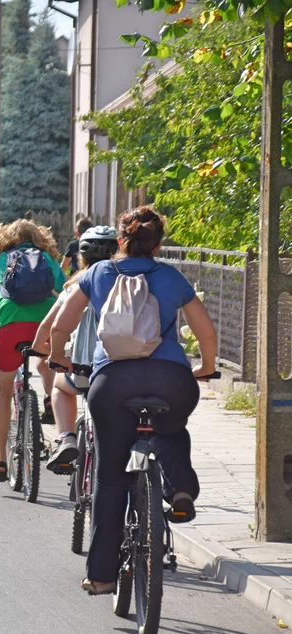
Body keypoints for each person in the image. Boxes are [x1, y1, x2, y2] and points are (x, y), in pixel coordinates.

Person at [47, 206, 218, 595]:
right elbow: (206, 333)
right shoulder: (172, 277)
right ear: (158, 244)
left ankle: (103, 576)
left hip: (113, 383)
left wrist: (59, 356)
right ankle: (180, 490)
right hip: (171, 380)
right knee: (171, 428)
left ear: (120, 241)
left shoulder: (97, 273)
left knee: (110, 480)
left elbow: (62, 323)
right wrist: (205, 368)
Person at [0, 219, 65, 482]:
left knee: (3, 391)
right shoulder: (48, 260)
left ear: (5, 238)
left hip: (8, 326)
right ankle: (48, 399)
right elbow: (63, 293)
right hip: (44, 325)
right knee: (47, 362)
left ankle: (0, 461)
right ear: (39, 238)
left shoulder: (0, 259)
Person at [32, 225, 118, 474]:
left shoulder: (75, 287)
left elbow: (48, 328)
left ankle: (66, 437)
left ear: (82, 257)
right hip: (122, 369)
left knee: (60, 385)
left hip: (83, 370)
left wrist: (44, 352)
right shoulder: (128, 284)